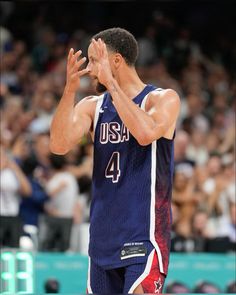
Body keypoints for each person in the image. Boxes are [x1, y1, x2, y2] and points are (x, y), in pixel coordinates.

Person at [50, 28, 180, 294]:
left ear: (116, 61)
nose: (90, 69)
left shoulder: (162, 99)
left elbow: (145, 134)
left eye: (95, 60)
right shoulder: (93, 105)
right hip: (101, 240)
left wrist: (112, 84)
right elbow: (59, 145)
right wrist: (69, 91)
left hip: (142, 236)